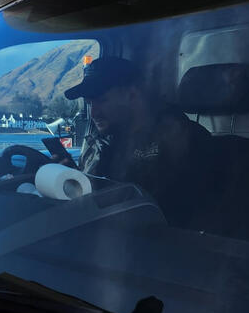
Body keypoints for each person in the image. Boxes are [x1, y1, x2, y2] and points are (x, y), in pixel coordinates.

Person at [61, 55, 212, 227]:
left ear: (132, 95)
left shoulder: (183, 139)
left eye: (102, 101)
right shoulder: (111, 140)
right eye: (89, 104)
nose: (94, 113)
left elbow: (162, 215)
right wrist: (76, 182)